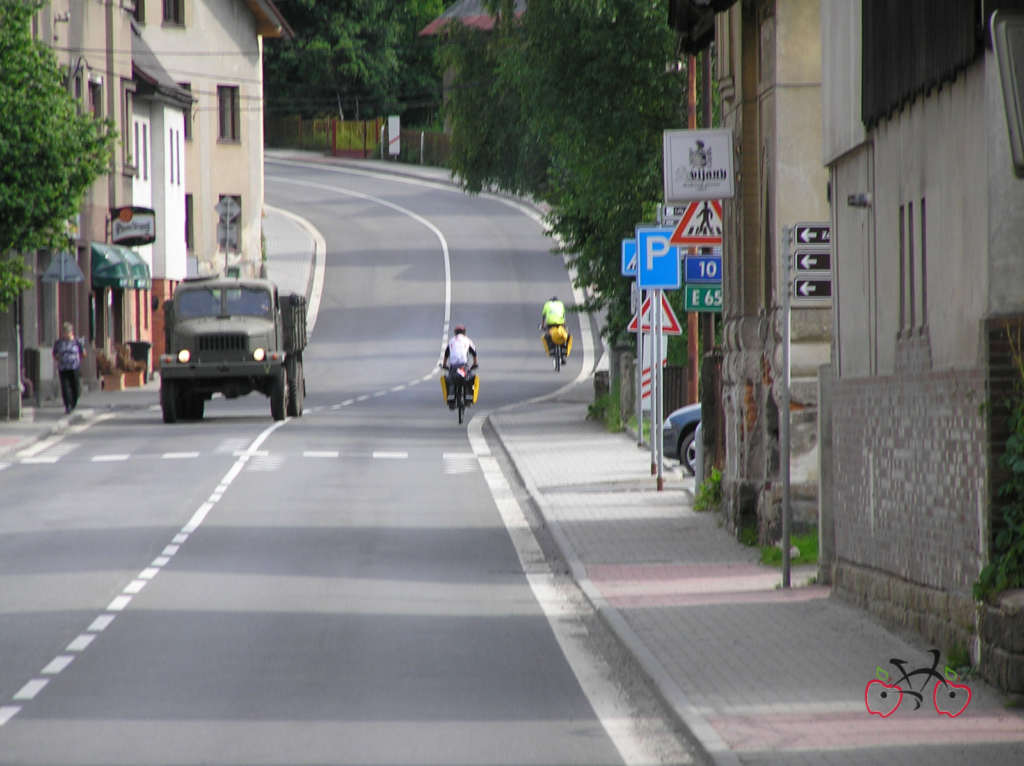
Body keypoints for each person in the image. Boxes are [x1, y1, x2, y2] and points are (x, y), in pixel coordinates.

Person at [53, 322, 87, 414]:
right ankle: (68, 405)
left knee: (75, 387)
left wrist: (78, 358)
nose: (65, 334)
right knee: (65, 387)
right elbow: (55, 353)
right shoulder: (59, 342)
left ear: (71, 332)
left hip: (74, 367)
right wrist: (59, 359)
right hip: (63, 368)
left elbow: (83, 353)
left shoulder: (77, 342)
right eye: (64, 332)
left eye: (67, 332)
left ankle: (73, 402)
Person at [441, 324, 478, 408]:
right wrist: (475, 364)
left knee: (450, 380)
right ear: (464, 332)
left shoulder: (451, 341)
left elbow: (446, 354)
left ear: (455, 333)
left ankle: (451, 399)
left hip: (453, 366)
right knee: (469, 378)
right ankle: (468, 398)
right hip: (463, 365)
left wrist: (444, 365)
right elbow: (474, 353)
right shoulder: (467, 340)